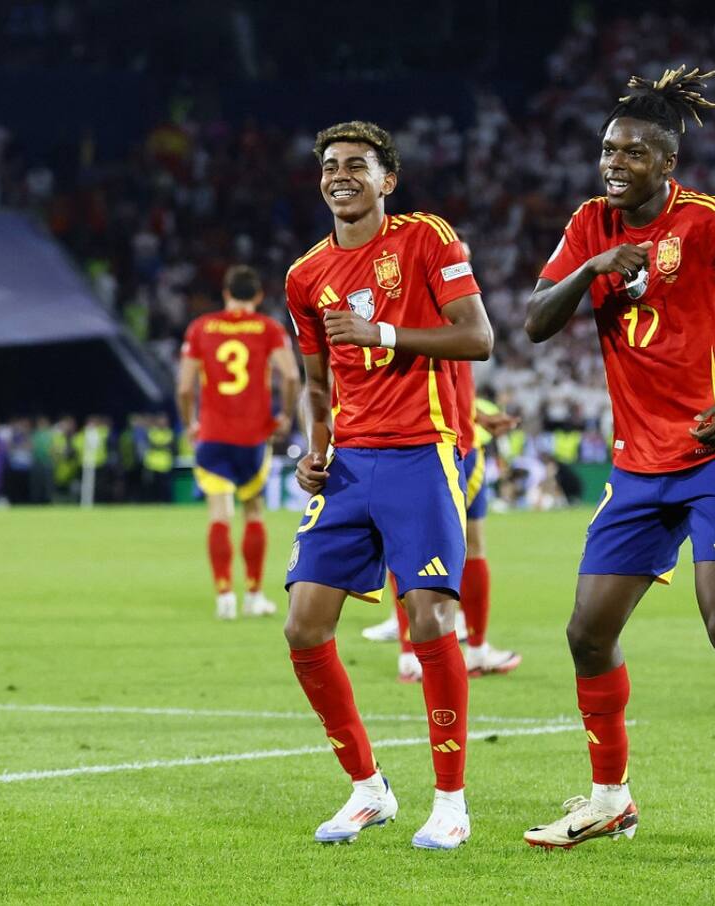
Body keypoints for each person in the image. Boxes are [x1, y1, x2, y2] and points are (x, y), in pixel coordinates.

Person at [521, 67, 715, 859]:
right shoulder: (589, 223)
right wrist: (591, 269)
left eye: (632, 153)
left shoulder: (712, 221)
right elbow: (534, 322)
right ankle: (611, 799)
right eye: (608, 149)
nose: (613, 163)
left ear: (666, 164)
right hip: (639, 465)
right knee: (586, 633)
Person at [282, 120, 493, 850]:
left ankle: (452, 802)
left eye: (357, 165)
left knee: (432, 620)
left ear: (386, 180)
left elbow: (479, 338)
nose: (341, 175)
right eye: (330, 165)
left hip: (418, 455)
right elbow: (315, 382)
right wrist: (314, 450)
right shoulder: (305, 275)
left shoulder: (427, 239)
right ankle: (368, 789)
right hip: (347, 467)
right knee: (303, 629)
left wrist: (385, 337)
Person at [368, 361, 523, 684]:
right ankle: (455, 651)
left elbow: (445, 379)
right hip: (439, 448)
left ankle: (420, 653)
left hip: (445, 439)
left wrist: (477, 416)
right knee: (448, 547)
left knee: (412, 548)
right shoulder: (444, 315)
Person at [177, 265, 299, 620]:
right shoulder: (268, 329)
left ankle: (224, 595)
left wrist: (189, 423)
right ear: (259, 296)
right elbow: (290, 375)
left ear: (225, 293)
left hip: (212, 434)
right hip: (252, 435)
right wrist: (285, 416)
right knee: (253, 511)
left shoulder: (201, 328)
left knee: (219, 513)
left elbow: (185, 386)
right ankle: (255, 594)